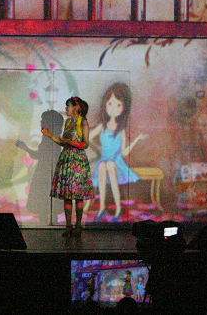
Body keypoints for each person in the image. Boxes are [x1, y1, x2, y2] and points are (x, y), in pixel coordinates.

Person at [87, 83, 147, 221]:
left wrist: (136, 140)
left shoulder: (121, 130)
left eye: (118, 105)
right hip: (104, 160)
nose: (113, 108)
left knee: (109, 165)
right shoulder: (102, 126)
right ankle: (102, 207)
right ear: (105, 105)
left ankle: (118, 208)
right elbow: (88, 138)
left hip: (117, 162)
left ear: (124, 108)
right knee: (103, 165)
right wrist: (97, 147)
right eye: (110, 104)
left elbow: (124, 153)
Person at [45, 96, 94, 238]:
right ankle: (68, 227)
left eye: (68, 106)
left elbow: (85, 144)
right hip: (66, 160)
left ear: (76, 107)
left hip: (78, 161)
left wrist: (71, 142)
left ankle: (78, 226)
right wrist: (50, 135)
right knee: (67, 196)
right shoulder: (68, 122)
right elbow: (62, 142)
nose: (66, 108)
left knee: (78, 196)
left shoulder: (83, 122)